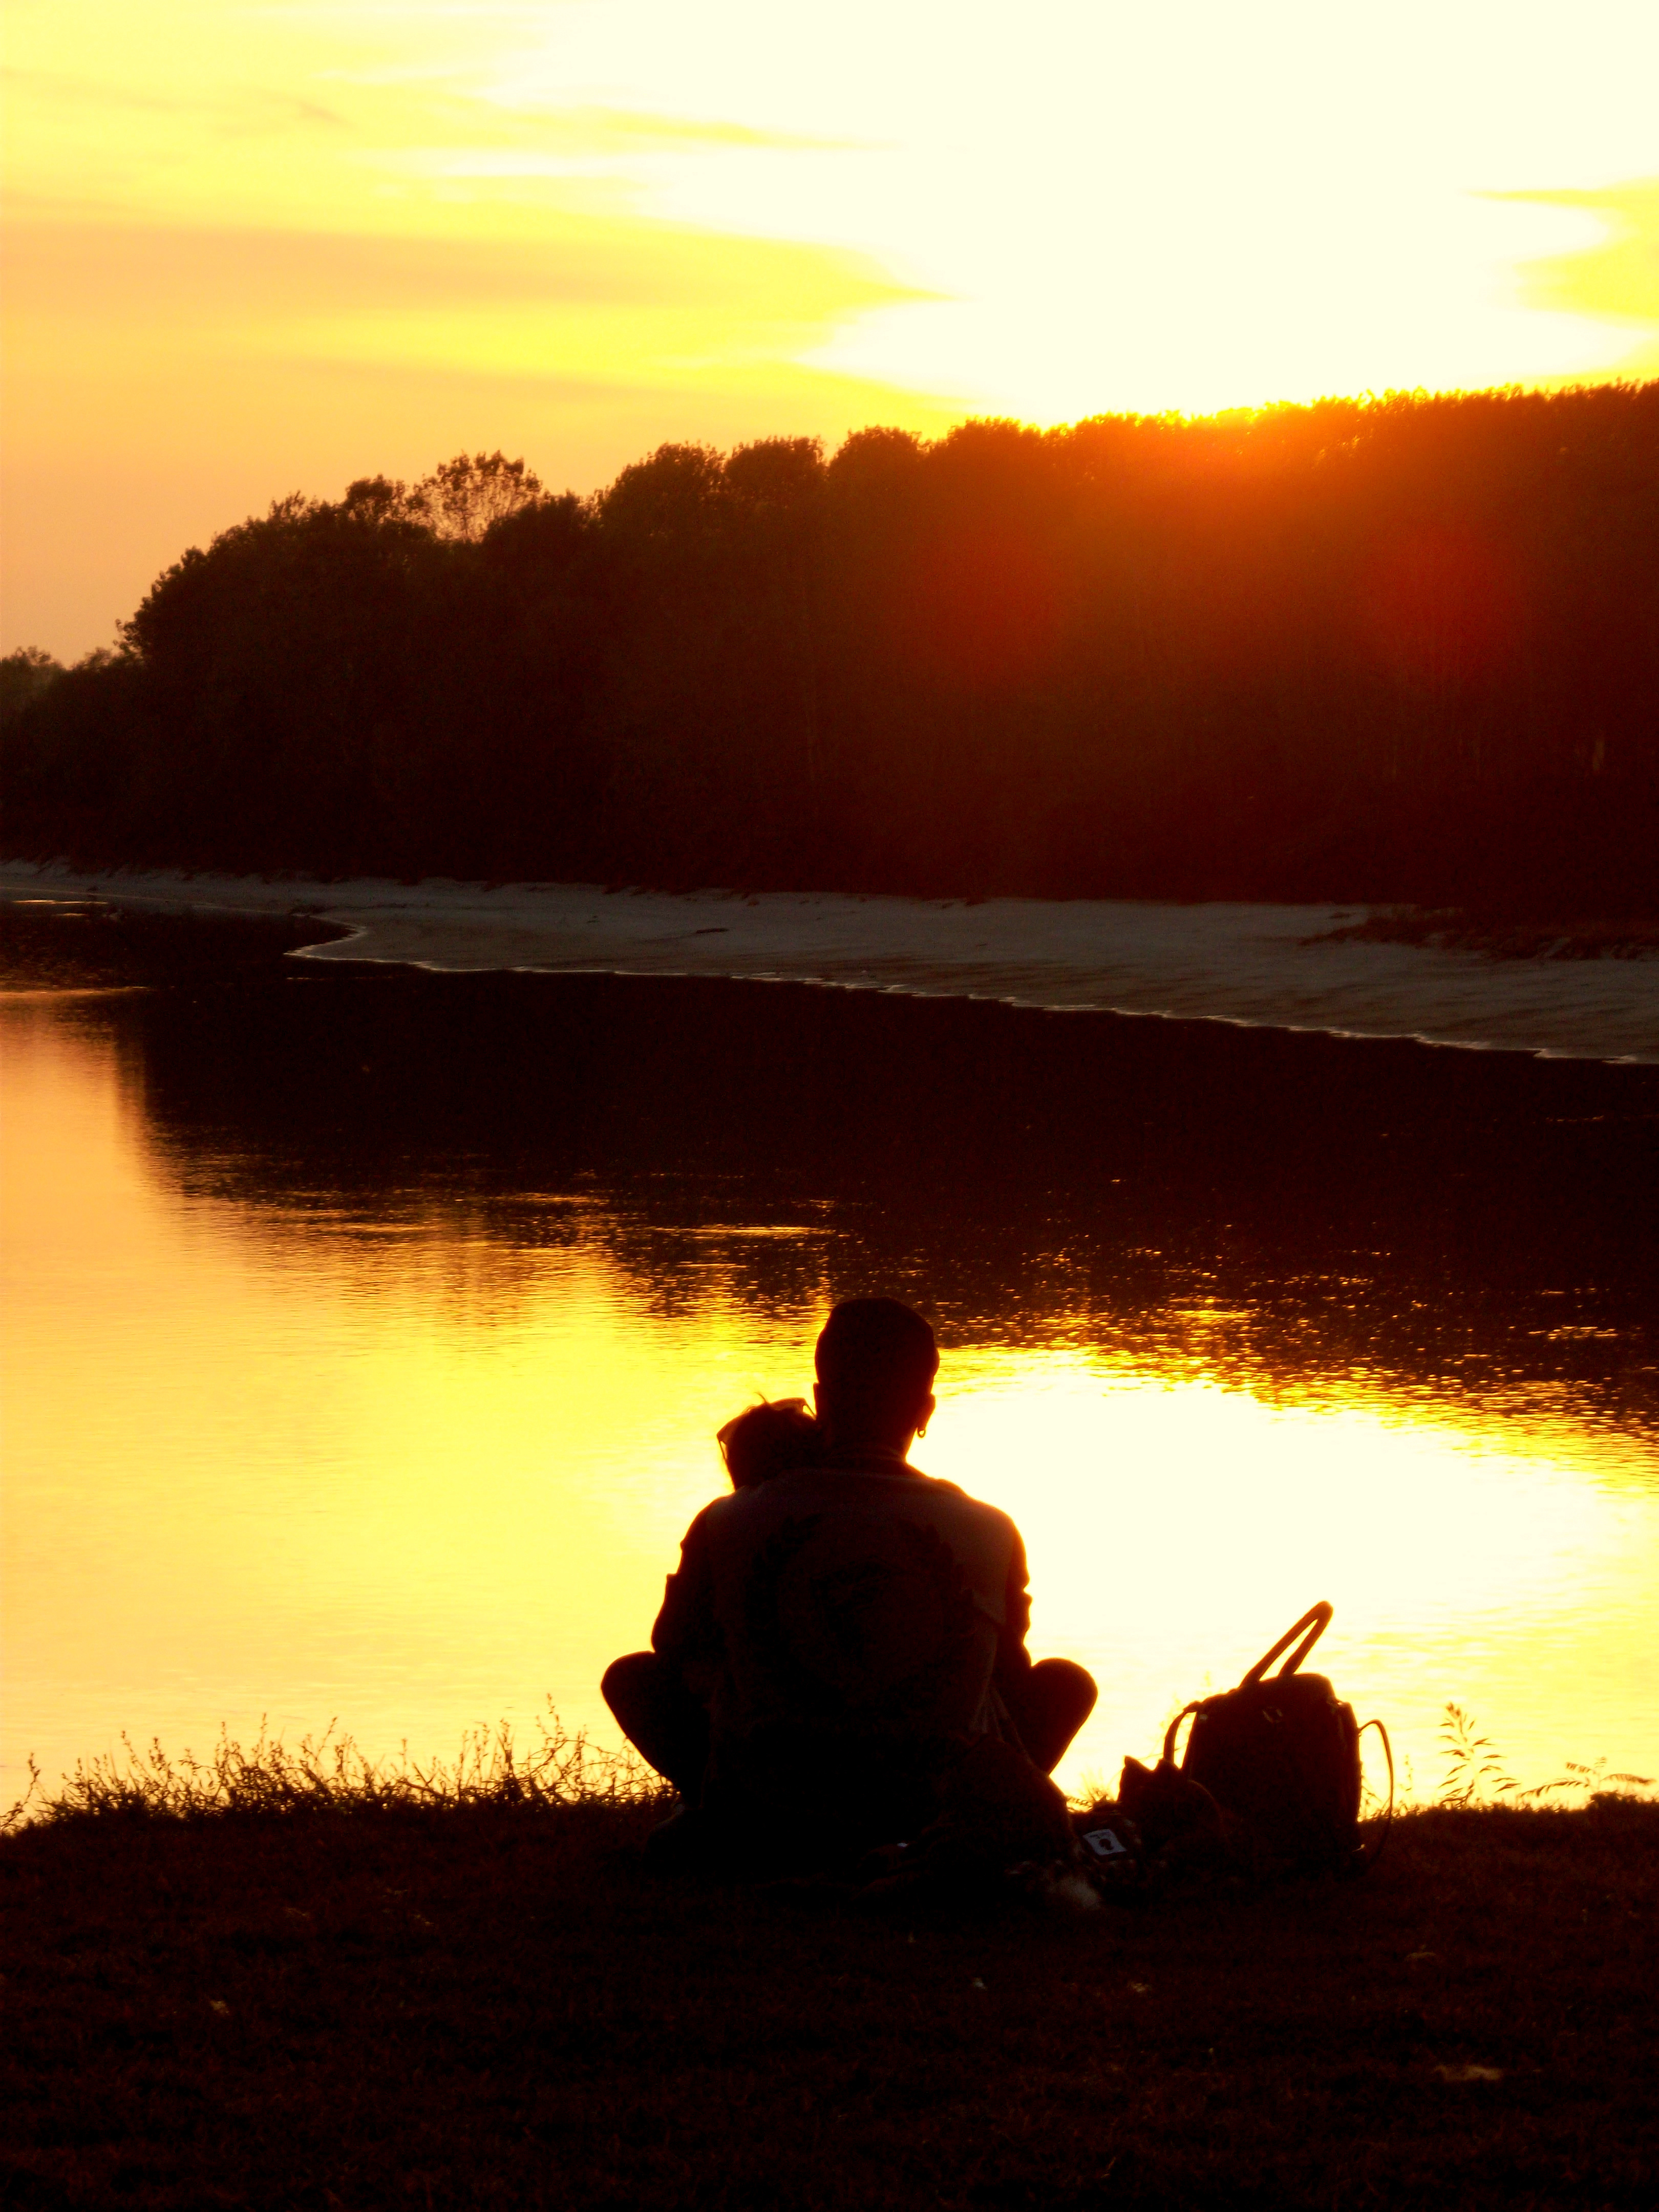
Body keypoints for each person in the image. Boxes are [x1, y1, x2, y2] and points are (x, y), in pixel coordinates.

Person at [601, 1297, 1097, 1870]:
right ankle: (953, 1828)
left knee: (634, 1677)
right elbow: (1006, 1676)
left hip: (770, 1805)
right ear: (926, 1410)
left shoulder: (726, 1518)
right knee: (1066, 1683)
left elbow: (675, 1650)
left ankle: (727, 1820)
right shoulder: (991, 1528)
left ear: (822, 1399)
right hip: (927, 1806)